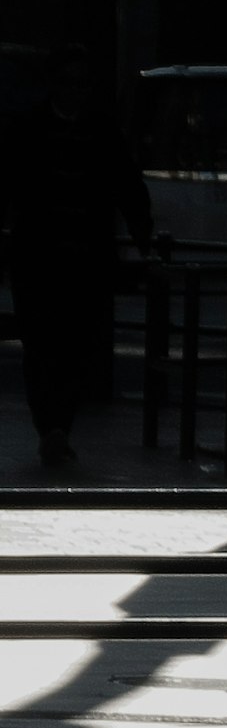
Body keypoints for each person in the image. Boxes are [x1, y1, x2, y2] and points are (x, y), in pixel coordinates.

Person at [1, 69, 155, 467]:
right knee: (47, 345)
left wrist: (142, 232)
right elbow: (127, 184)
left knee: (66, 347)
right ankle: (55, 427)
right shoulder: (91, 130)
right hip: (56, 258)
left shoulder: (32, 128)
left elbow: (127, 184)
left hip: (56, 257)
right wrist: (141, 237)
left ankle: (54, 426)